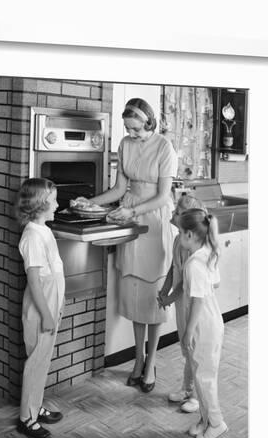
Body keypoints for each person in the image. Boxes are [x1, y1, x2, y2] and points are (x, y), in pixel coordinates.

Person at [89, 97, 178, 392]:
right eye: (128, 128)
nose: (132, 134)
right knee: (135, 295)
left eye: (137, 129)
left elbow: (164, 196)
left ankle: (150, 363)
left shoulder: (165, 148)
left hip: (153, 222)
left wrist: (133, 211)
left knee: (153, 296)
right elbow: (118, 189)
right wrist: (87, 203)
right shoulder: (125, 145)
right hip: (129, 219)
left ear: (149, 122)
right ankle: (137, 360)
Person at [15, 178, 65, 438]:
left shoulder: (43, 229)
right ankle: (26, 417)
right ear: (40, 205)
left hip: (50, 304)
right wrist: (46, 314)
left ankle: (35, 406)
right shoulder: (33, 236)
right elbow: (34, 281)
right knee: (35, 364)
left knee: (42, 361)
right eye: (54, 200)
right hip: (40, 308)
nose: (57, 204)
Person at [177, 208, 227, 438]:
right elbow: (214, 285)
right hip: (209, 322)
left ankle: (216, 423)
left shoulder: (194, 264)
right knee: (200, 375)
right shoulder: (206, 253)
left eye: (179, 232)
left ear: (189, 234)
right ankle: (205, 419)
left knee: (205, 378)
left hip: (203, 326)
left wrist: (187, 331)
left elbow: (197, 300)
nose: (177, 236)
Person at [158, 195, 207, 414]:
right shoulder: (180, 239)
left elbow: (187, 284)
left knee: (194, 349)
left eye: (177, 212)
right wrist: (164, 290)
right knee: (186, 348)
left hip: (194, 304)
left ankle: (197, 396)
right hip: (181, 303)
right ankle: (187, 389)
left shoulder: (196, 250)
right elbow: (172, 269)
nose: (173, 214)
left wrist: (170, 296)